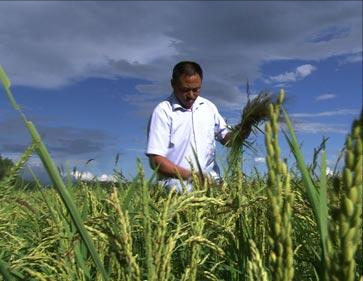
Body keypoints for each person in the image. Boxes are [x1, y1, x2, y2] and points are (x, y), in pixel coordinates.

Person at [146, 61, 249, 192]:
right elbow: (156, 161)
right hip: (176, 187)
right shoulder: (163, 112)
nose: (191, 96)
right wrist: (193, 177)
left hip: (212, 184)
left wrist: (244, 129)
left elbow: (228, 140)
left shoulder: (208, 107)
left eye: (196, 89)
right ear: (173, 84)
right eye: (185, 90)